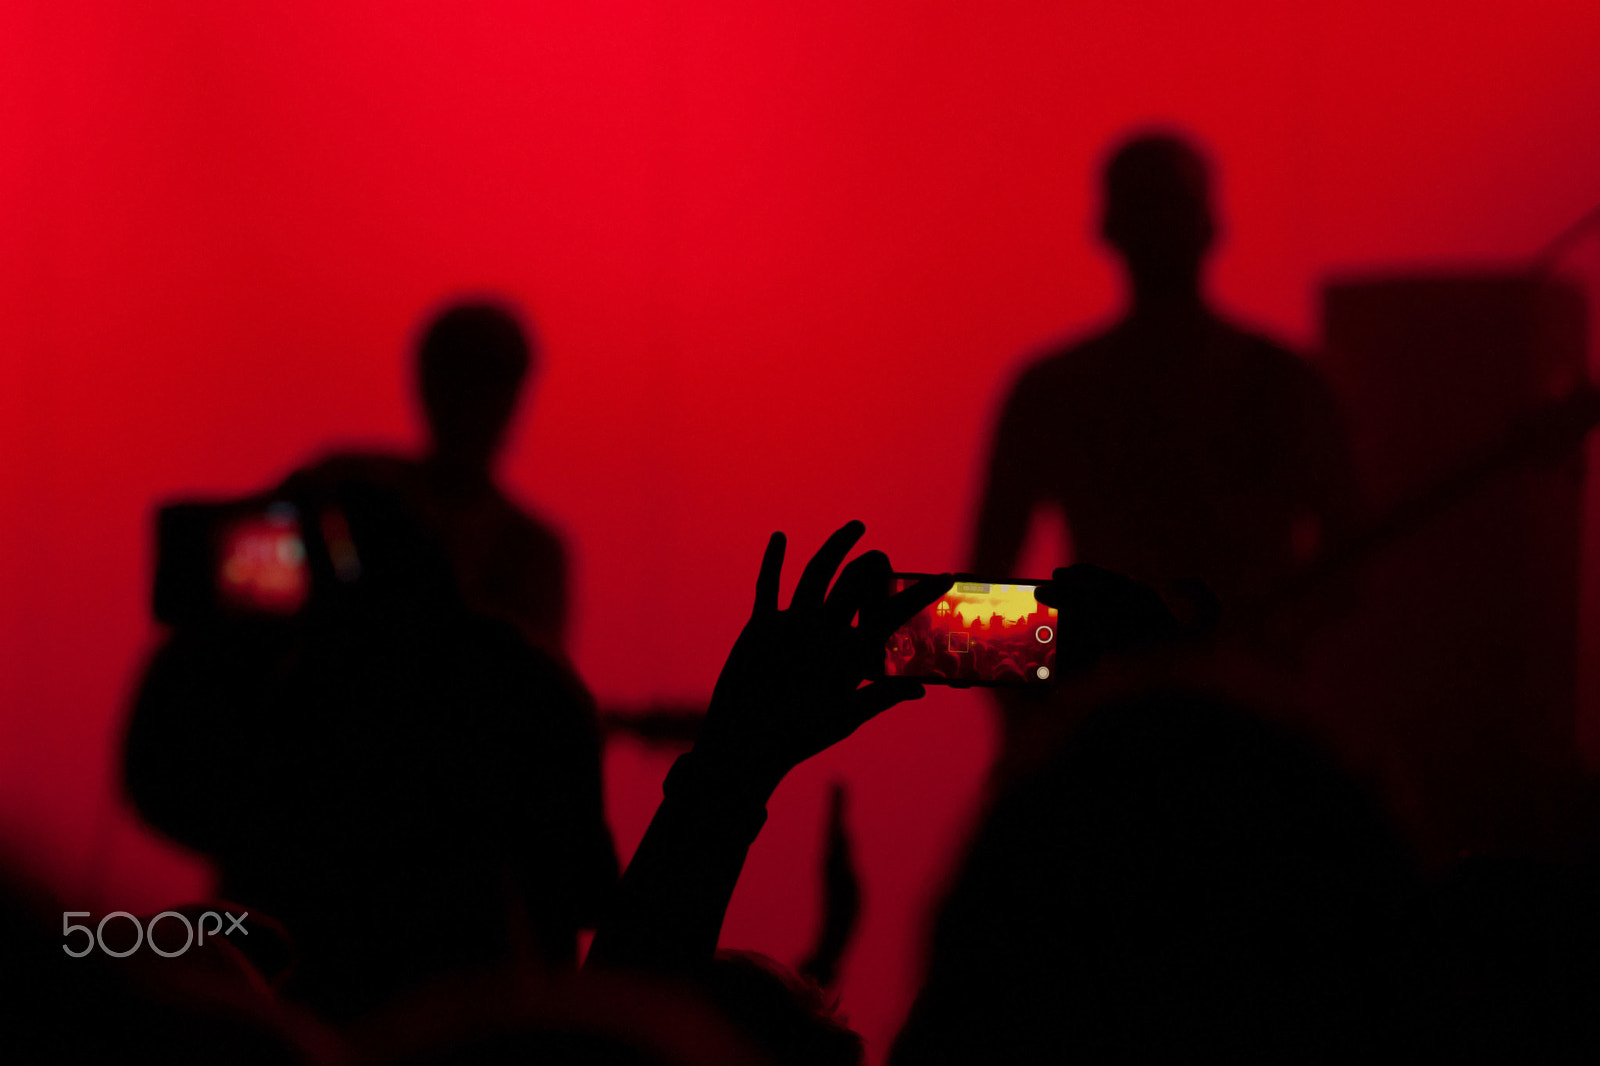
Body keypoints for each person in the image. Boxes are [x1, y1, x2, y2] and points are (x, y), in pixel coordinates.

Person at [972, 132, 1358, 640]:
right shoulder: (1283, 380)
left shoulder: (1053, 388)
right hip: (1234, 703)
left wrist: (1055, 686)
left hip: (1117, 705)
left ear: (1106, 230)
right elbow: (1353, 559)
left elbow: (977, 595)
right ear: (1213, 229)